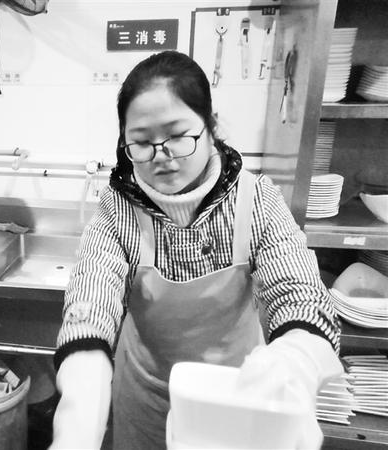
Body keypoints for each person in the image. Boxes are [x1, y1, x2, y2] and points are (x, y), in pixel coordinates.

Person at [49, 51, 343, 450]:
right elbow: (91, 298)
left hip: (239, 398)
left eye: (177, 136)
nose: (162, 155)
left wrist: (297, 360)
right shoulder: (118, 209)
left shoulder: (255, 200)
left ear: (211, 125)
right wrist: (79, 425)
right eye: (142, 142)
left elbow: (298, 292)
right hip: (146, 400)